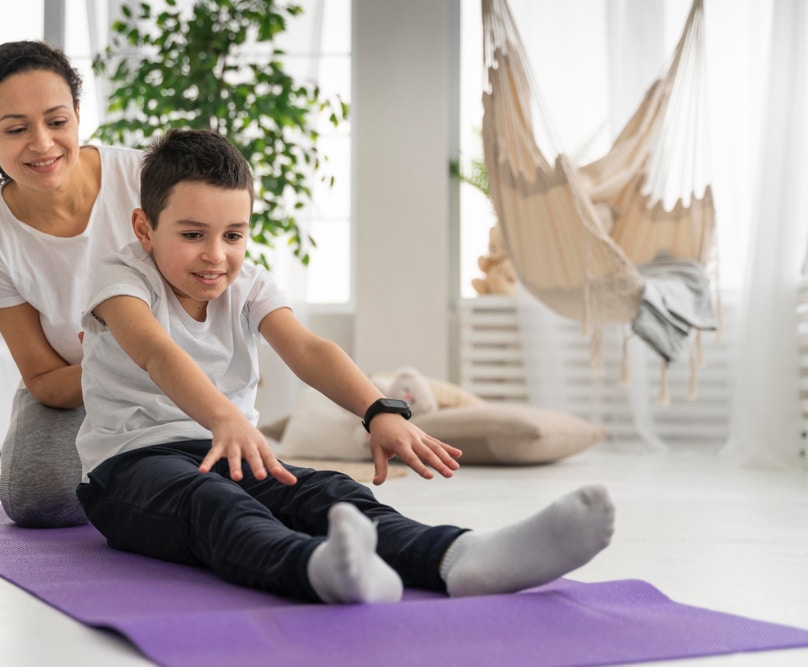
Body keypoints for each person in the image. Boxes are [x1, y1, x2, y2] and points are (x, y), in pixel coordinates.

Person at [74, 129, 615, 604]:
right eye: (193, 235)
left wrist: (380, 410)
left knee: (331, 491)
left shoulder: (248, 284)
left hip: (233, 451)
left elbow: (309, 350)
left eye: (233, 235)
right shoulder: (120, 279)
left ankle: (461, 556)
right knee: (212, 502)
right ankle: (317, 569)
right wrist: (224, 418)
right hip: (129, 467)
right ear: (145, 229)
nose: (217, 254)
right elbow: (158, 353)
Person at [0, 41, 145, 527]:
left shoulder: (148, 179)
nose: (42, 144)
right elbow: (44, 379)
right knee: (37, 497)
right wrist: (119, 362)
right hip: (75, 384)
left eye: (57, 121)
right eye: (16, 129)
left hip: (174, 371)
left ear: (78, 115)